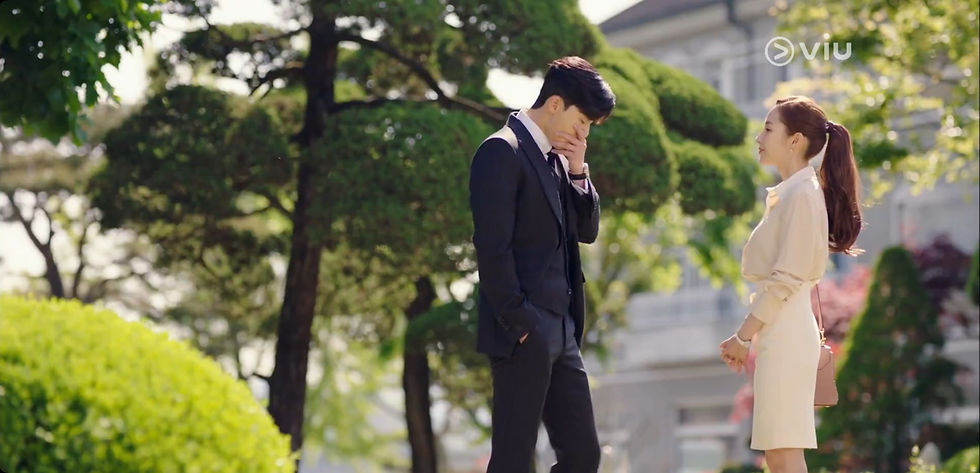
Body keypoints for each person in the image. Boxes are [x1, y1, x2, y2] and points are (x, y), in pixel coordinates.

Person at [469, 56, 615, 473]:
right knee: (515, 460)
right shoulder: (502, 151)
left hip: (564, 330)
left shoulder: (559, 159)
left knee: (583, 456)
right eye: (582, 121)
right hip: (524, 330)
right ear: (555, 103)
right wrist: (522, 325)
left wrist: (578, 171)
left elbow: (585, 232)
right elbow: (492, 249)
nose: (583, 133)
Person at [719, 96, 863, 473]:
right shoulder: (795, 193)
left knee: (783, 450)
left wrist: (742, 337)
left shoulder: (801, 195)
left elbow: (784, 281)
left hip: (785, 331)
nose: (759, 137)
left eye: (768, 129)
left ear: (795, 140)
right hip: (781, 330)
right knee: (778, 450)